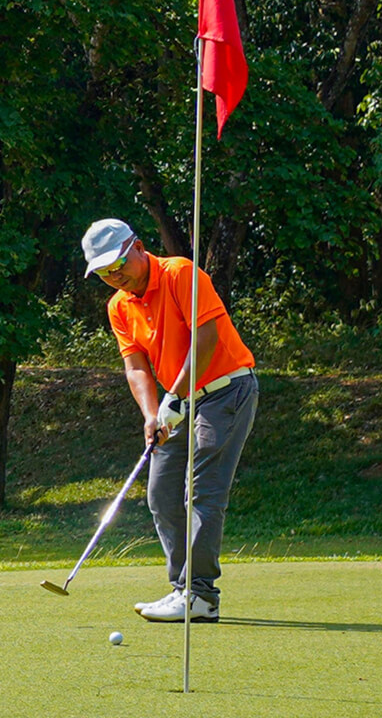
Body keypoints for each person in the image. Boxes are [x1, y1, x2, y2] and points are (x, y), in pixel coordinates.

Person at [80, 218, 258, 623]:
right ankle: (183, 588)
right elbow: (136, 367)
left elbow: (206, 339)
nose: (114, 276)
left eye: (118, 264)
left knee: (202, 493)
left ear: (139, 247)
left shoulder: (179, 273)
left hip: (226, 390)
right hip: (179, 402)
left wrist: (176, 396)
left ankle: (200, 594)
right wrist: (151, 413)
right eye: (104, 272)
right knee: (160, 494)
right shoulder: (119, 306)